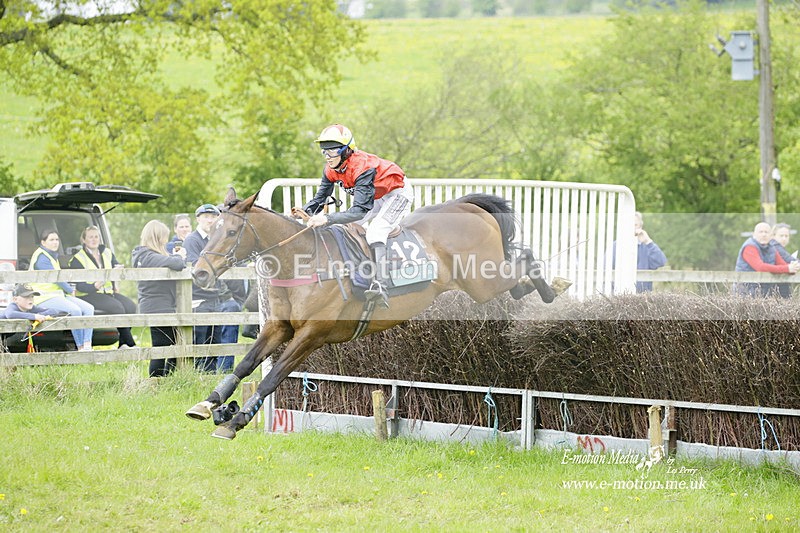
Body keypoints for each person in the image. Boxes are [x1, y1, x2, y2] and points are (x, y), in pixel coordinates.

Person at [298, 124, 413, 307]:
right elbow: (321, 198)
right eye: (324, 151)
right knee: (344, 227)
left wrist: (327, 218)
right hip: (376, 195)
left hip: (397, 193)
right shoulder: (330, 169)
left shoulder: (361, 167)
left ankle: (381, 286)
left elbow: (359, 210)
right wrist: (302, 214)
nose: (328, 156)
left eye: (332, 151)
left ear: (346, 150)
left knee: (375, 231)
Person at [132, 220, 188, 377]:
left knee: (171, 343)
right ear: (156, 237)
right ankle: (156, 380)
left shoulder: (149, 255)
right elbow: (176, 264)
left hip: (161, 304)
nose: (166, 240)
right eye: (164, 237)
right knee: (161, 346)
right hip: (156, 305)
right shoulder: (147, 256)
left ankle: (168, 377)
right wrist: (180, 256)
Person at [69, 226, 138, 347]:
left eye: (96, 236)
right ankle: (131, 344)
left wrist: (118, 271)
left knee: (131, 306)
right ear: (83, 240)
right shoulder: (77, 259)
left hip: (107, 292)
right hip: (88, 295)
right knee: (117, 308)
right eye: (90, 237)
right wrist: (94, 286)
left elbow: (116, 266)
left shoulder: (107, 253)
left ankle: (123, 344)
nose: (94, 239)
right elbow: (79, 286)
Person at [29, 229, 95, 351]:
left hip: (58, 295)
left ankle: (87, 345)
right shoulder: (42, 258)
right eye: (51, 240)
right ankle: (80, 347)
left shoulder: (52, 255)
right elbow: (56, 278)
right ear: (43, 243)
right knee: (75, 310)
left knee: (89, 309)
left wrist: (67, 291)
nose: (55, 242)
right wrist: (70, 290)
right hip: (43, 297)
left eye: (57, 240)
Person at [183, 203, 226, 373]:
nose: (210, 220)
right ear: (198, 219)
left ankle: (211, 373)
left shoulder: (216, 239)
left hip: (214, 295)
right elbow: (196, 265)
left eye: (213, 216)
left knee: (214, 338)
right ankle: (196, 374)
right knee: (199, 336)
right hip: (198, 296)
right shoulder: (192, 240)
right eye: (206, 216)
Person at [735, 221, 800, 297]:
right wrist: (788, 268)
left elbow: (783, 265)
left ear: (770, 235)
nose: (764, 234)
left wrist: (793, 268)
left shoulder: (771, 248)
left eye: (766, 232)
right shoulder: (749, 247)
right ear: (754, 234)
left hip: (764, 293)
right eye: (761, 232)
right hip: (746, 292)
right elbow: (760, 267)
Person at [612, 211, 667, 293]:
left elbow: (661, 262)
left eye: (635, 225)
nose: (632, 228)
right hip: (619, 295)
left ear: (640, 227)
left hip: (643, 297)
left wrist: (648, 242)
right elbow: (605, 270)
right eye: (629, 224)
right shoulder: (616, 246)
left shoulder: (647, 246)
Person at [770, 223, 795, 298]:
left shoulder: (776, 246)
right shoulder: (775, 246)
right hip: (776, 287)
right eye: (781, 236)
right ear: (774, 236)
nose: (784, 238)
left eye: (786, 236)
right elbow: (790, 260)